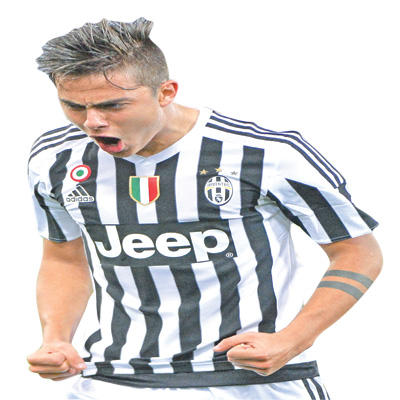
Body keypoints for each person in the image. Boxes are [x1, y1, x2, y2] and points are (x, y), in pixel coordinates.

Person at [27, 18, 382, 400]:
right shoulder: (55, 159)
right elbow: (64, 258)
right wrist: (56, 339)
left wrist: (292, 340)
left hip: (254, 381)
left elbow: (357, 253)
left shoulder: (265, 153)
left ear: (166, 92)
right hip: (116, 380)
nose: (93, 122)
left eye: (113, 105)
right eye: (73, 106)